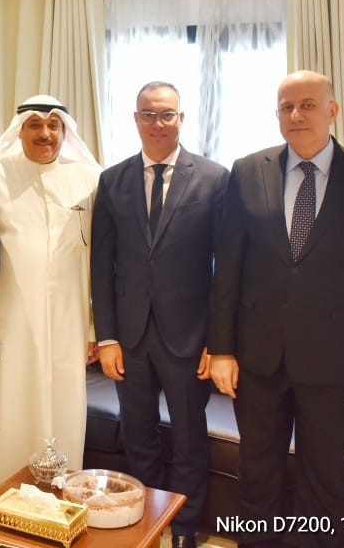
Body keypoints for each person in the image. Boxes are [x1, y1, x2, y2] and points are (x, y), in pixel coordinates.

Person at [208, 70, 344, 548]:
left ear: (332, 111)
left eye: (308, 105)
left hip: (335, 366)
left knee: (325, 483)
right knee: (256, 477)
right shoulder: (247, 171)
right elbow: (228, 268)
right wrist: (222, 350)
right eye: (286, 106)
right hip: (259, 362)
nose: (296, 115)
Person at [91, 81, 228, 548]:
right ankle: (148, 522)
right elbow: (102, 265)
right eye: (148, 114)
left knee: (189, 437)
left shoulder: (213, 178)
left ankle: (185, 529)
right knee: (138, 435)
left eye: (167, 114)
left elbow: (226, 268)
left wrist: (218, 341)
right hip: (130, 337)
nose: (158, 123)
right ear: (136, 119)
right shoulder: (112, 180)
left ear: (181, 119)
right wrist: (107, 337)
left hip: (190, 337)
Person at [0, 95, 101, 497]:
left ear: (64, 131)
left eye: (54, 125)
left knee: (64, 406)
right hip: (10, 318)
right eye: (35, 125)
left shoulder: (89, 178)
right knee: (7, 407)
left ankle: (60, 499)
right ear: (20, 130)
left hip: (69, 319)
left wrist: (95, 328)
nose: (45, 133)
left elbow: (104, 257)